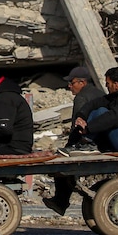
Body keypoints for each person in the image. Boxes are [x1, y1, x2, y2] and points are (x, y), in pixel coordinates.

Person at [42, 66, 107, 215]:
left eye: (72, 83)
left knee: (61, 163)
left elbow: (77, 126)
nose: (69, 86)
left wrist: (69, 146)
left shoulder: (82, 97)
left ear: (82, 83)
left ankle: (60, 201)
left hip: (89, 142)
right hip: (102, 140)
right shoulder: (99, 93)